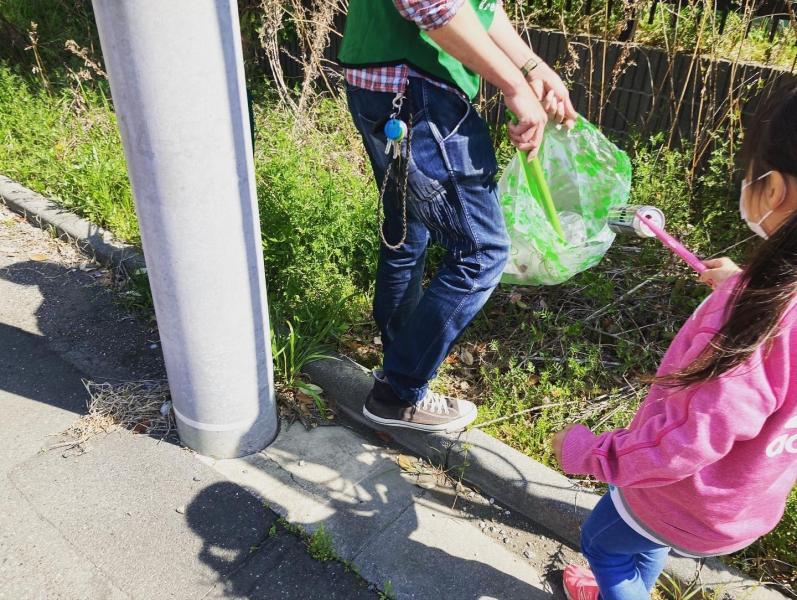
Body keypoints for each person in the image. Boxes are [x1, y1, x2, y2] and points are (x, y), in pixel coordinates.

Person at [551, 87, 797, 600]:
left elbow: (686, 440)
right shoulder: (773, 298)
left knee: (603, 546)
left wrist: (588, 452)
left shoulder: (753, 322)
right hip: (745, 500)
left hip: (685, 498)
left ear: (772, 189)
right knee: (644, 538)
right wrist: (739, 278)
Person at [339, 0, 576, 432]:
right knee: (482, 251)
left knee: (407, 231)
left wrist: (531, 66)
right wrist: (514, 86)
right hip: (416, 90)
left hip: (387, 83)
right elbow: (433, 5)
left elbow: (481, 6)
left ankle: (398, 364)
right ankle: (399, 390)